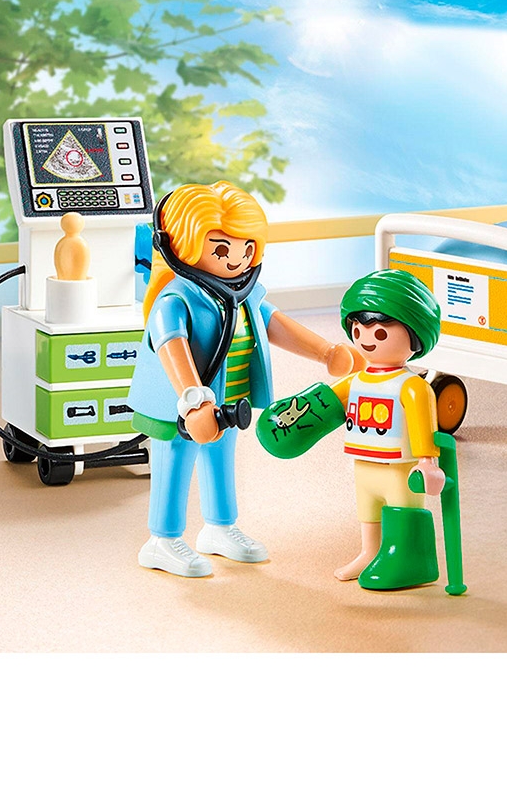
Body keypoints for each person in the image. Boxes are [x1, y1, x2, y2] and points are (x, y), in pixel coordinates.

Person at [127, 181, 358, 577]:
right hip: (181, 407)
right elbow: (171, 347)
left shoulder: (241, 293)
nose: (236, 260)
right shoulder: (175, 299)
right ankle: (162, 539)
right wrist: (192, 401)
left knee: (221, 459)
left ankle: (220, 527)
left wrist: (325, 352)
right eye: (221, 249)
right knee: (175, 460)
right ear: (180, 245)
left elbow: (275, 323)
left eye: (247, 249)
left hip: (229, 400)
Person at [329, 269, 445, 587]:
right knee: (368, 511)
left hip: (400, 468)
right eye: (358, 330)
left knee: (401, 510)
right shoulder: (356, 380)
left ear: (415, 336)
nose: (366, 339)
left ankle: (407, 559)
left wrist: (428, 462)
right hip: (364, 462)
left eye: (380, 333)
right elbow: (326, 405)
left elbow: (423, 425)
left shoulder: (411, 386)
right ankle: (370, 553)